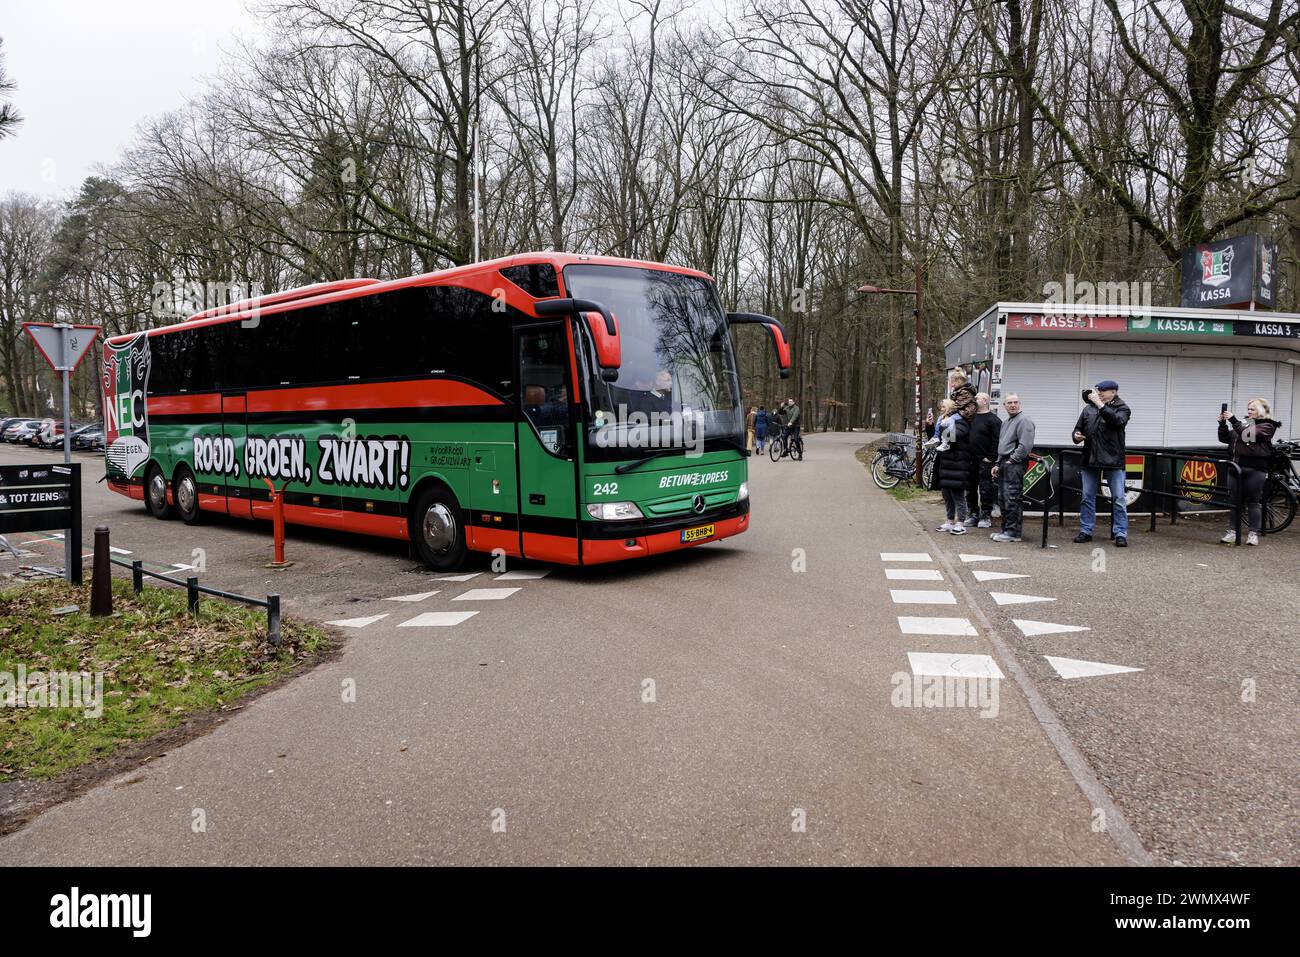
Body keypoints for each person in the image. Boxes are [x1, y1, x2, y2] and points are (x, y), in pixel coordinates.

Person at [1071, 379, 1132, 547]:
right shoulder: (1088, 409)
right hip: (1090, 458)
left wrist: (1100, 406)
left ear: (1113, 392)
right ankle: (1086, 531)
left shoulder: (1123, 408)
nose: (1098, 394)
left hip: (1113, 460)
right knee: (1087, 497)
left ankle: (1120, 533)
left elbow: (1117, 422)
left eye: (1102, 391)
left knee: (1119, 498)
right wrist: (1076, 435)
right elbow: (1078, 428)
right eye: (1098, 391)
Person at [1217, 398, 1280, 546]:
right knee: (1234, 501)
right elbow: (1225, 438)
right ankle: (1232, 532)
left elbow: (1249, 435)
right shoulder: (1243, 423)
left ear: (1261, 410)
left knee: (1253, 502)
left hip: (1255, 469)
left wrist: (1233, 419)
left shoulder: (1268, 425)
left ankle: (1253, 534)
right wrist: (1222, 424)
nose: (1249, 411)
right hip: (1235, 468)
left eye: (1252, 409)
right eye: (1248, 409)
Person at [990, 393, 1034, 543]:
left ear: (1019, 404)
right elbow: (1002, 445)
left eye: (1015, 402)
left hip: (1014, 464)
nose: (1013, 405)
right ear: (1004, 405)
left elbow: (1025, 445)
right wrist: (997, 463)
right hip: (1004, 462)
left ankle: (1013, 533)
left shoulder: (1024, 421)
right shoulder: (1006, 422)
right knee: (1003, 498)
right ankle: (1005, 529)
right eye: (1009, 403)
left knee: (1012, 497)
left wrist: (1012, 460)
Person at [933, 399, 972, 534]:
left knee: (958, 495)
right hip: (946, 463)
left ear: (950, 408)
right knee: (947, 494)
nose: (941, 409)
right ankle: (949, 521)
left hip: (958, 464)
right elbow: (938, 438)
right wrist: (930, 426)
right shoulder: (943, 422)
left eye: (944, 406)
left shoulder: (960, 421)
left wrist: (943, 425)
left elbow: (953, 437)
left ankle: (961, 522)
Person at [967, 392, 1002, 528]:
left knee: (985, 489)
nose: (974, 399)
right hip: (971, 459)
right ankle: (973, 514)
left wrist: (990, 457)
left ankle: (985, 515)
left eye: (977, 398)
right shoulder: (971, 418)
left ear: (985, 401)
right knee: (970, 488)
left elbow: (997, 440)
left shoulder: (993, 420)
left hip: (985, 460)